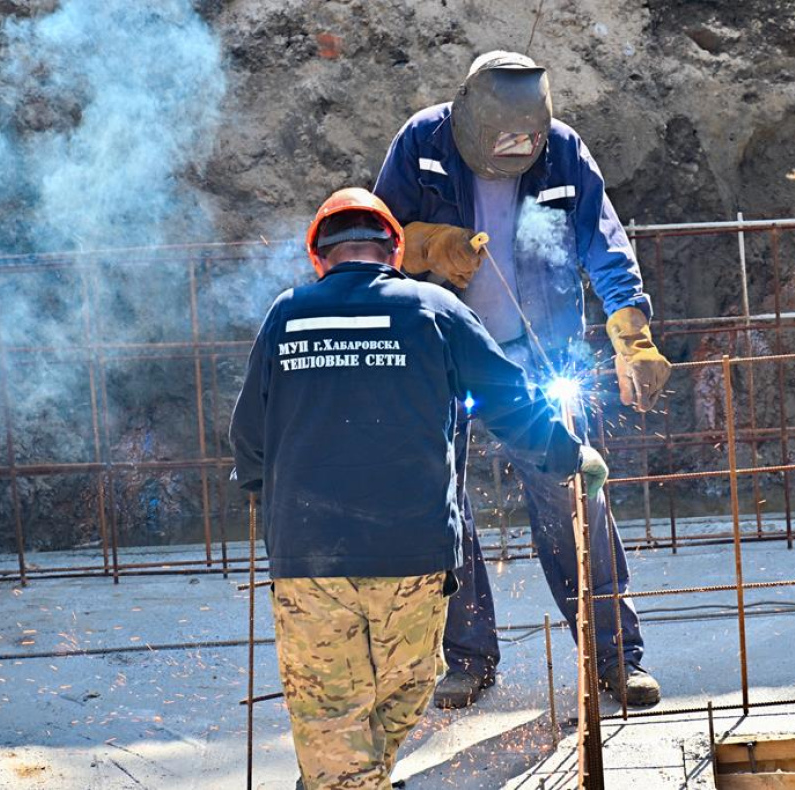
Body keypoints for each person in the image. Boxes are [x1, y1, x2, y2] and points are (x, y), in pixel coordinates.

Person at [229, 187, 608, 790]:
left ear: (318, 258)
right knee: (401, 694)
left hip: (310, 558)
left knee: (334, 713)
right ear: (395, 250)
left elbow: (249, 437)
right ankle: (352, 775)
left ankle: (346, 775)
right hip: (414, 556)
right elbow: (510, 400)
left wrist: (265, 489)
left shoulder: (287, 313)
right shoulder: (433, 307)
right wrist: (570, 454)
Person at [374, 51, 671, 709]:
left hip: (538, 363)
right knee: (438, 508)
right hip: (443, 358)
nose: (516, 152)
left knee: (572, 493)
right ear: (467, 119)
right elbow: (377, 238)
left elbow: (605, 246)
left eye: (525, 141)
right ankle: (467, 661)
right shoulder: (421, 142)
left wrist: (634, 338)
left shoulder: (562, 152)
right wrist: (426, 244)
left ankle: (614, 659)